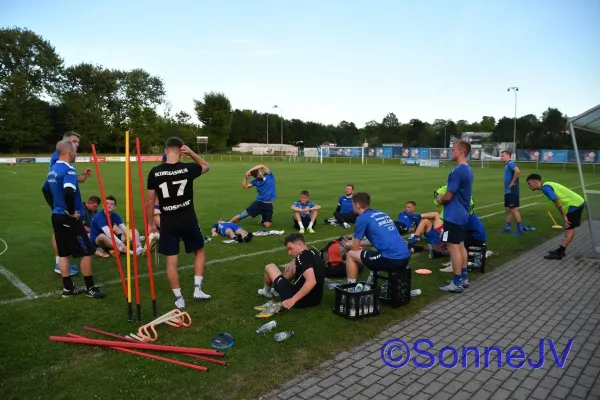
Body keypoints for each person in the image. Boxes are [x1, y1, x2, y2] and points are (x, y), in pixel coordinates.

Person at [146, 137, 211, 309]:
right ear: (180, 151)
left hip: (168, 221)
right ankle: (197, 289)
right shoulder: (187, 168)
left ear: (166, 151)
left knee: (171, 262)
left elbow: (150, 201)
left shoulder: (155, 172)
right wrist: (191, 153)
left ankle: (179, 298)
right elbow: (206, 166)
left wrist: (150, 223)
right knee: (199, 251)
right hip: (188, 218)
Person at [41, 140, 105, 298]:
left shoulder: (53, 169)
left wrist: (56, 207)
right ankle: (90, 288)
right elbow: (69, 191)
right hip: (70, 218)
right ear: (69, 152)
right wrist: (70, 211)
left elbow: (45, 190)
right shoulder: (68, 170)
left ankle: (68, 288)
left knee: (63, 254)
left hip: (57, 216)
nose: (77, 153)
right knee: (87, 252)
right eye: (76, 151)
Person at [49, 131, 92, 275]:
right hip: (65, 205)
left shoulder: (66, 162)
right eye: (74, 141)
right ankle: (59, 262)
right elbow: (59, 182)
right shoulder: (58, 158)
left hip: (65, 204)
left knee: (61, 232)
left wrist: (83, 176)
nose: (77, 145)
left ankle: (63, 262)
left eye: (78, 142)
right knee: (59, 233)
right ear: (66, 143)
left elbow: (74, 179)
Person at [345, 192, 411, 283]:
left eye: (352, 204)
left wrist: (347, 245)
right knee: (375, 249)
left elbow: (355, 247)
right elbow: (379, 239)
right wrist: (357, 242)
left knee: (351, 254)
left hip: (391, 259)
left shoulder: (362, 218)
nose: (352, 206)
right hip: (405, 257)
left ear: (357, 205)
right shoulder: (381, 213)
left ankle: (350, 288)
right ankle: (372, 280)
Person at [436, 140, 474, 293]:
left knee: (453, 247)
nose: (451, 152)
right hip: (463, 214)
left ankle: (457, 281)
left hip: (454, 215)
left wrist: (440, 199)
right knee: (461, 245)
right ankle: (463, 278)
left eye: (453, 150)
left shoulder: (457, 171)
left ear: (460, 152)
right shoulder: (468, 169)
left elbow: (448, 196)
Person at [257, 233, 325, 309]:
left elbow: (311, 281)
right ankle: (277, 290)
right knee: (293, 266)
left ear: (299, 245)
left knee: (269, 266)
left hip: (300, 299)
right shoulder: (313, 251)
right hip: (316, 299)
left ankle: (267, 292)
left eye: (290, 249)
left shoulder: (302, 257)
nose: (289, 253)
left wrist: (293, 300)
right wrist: (293, 262)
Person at [526, 174, 586, 260]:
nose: (529, 186)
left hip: (574, 205)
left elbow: (556, 200)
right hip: (574, 204)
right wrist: (563, 215)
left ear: (535, 182)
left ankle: (560, 253)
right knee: (568, 228)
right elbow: (557, 203)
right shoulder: (546, 185)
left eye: (529, 183)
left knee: (569, 230)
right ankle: (561, 250)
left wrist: (564, 216)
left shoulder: (546, 188)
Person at [230, 164, 276, 229]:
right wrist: (246, 177)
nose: (259, 175)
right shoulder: (255, 181)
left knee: (267, 225)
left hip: (268, 204)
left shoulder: (269, 175)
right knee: (243, 215)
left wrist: (249, 171)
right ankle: (228, 223)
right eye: (257, 175)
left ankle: (263, 217)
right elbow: (245, 186)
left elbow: (261, 165)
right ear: (255, 177)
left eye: (259, 172)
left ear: (260, 171)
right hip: (259, 203)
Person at [500, 150, 531, 236]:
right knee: (508, 210)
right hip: (507, 191)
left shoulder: (510, 163)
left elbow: (517, 171)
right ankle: (507, 228)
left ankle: (520, 229)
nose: (501, 157)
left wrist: (512, 182)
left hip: (512, 191)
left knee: (513, 209)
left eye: (503, 156)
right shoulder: (507, 165)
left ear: (508, 156)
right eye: (501, 156)